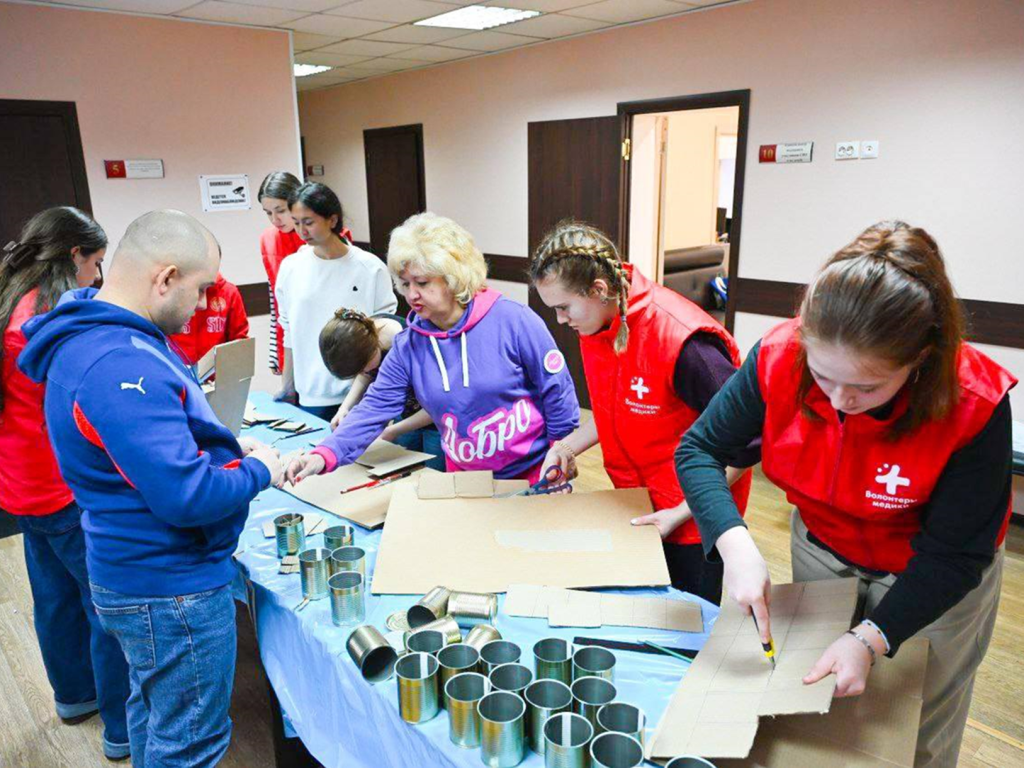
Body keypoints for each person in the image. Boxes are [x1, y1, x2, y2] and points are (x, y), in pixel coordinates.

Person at [677, 221, 1015, 767]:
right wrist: (734, 542)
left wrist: (873, 636)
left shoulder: (974, 402)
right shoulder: (778, 355)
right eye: (823, 376)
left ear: (921, 359)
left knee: (912, 731)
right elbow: (699, 450)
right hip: (823, 549)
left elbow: (956, 555)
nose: (839, 401)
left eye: (867, 387)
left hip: (932, 577)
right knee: (820, 719)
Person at [18, 209, 285, 767]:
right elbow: (186, 497)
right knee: (190, 742)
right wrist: (262, 470)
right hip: (169, 588)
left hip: (133, 574)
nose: (203, 304)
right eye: (201, 288)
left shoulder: (99, 337)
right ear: (164, 278)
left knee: (151, 710)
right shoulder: (117, 362)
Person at [530, 221, 753, 604]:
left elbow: (746, 443)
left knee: (689, 619)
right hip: (638, 503)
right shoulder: (599, 324)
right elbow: (617, 409)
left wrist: (681, 512)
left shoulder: (685, 344)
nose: (560, 321)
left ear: (599, 289)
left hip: (692, 516)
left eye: (564, 307)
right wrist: (566, 448)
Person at [286, 212, 580, 484]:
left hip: (533, 474)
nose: (412, 294)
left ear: (454, 277)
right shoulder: (408, 345)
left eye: (423, 282)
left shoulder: (514, 320)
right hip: (465, 481)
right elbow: (374, 408)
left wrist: (561, 452)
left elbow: (557, 392)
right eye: (404, 284)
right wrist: (324, 454)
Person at [0, 207, 131, 761]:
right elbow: (85, 400)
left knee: (53, 595)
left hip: (17, 482)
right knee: (106, 605)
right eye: (95, 263)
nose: (97, 277)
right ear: (74, 254)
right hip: (59, 485)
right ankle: (123, 727)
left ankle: (75, 696)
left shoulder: (10, 296)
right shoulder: (47, 321)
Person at [274, 181, 397, 420]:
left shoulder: (370, 268)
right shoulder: (291, 267)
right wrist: (288, 385)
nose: (302, 231)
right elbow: (288, 330)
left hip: (362, 392)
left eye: (309, 222)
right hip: (310, 392)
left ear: (332, 219)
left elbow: (384, 338)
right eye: (296, 223)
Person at [319, 308, 445, 470]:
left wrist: (392, 431)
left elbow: (439, 405)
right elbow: (366, 374)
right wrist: (345, 407)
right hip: (405, 415)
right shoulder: (364, 335)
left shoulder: (415, 344)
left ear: (373, 348)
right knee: (405, 472)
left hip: (438, 422)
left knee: (434, 477)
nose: (362, 373)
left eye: (362, 368)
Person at [258, 171, 304, 376]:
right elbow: (276, 301)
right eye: (268, 213)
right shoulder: (268, 239)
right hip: (290, 337)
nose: (275, 219)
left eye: (280, 210)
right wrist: (276, 353)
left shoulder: (324, 235)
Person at [167, 271, 249, 365]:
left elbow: (239, 341)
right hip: (177, 372)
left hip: (217, 375)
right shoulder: (171, 291)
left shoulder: (229, 293)